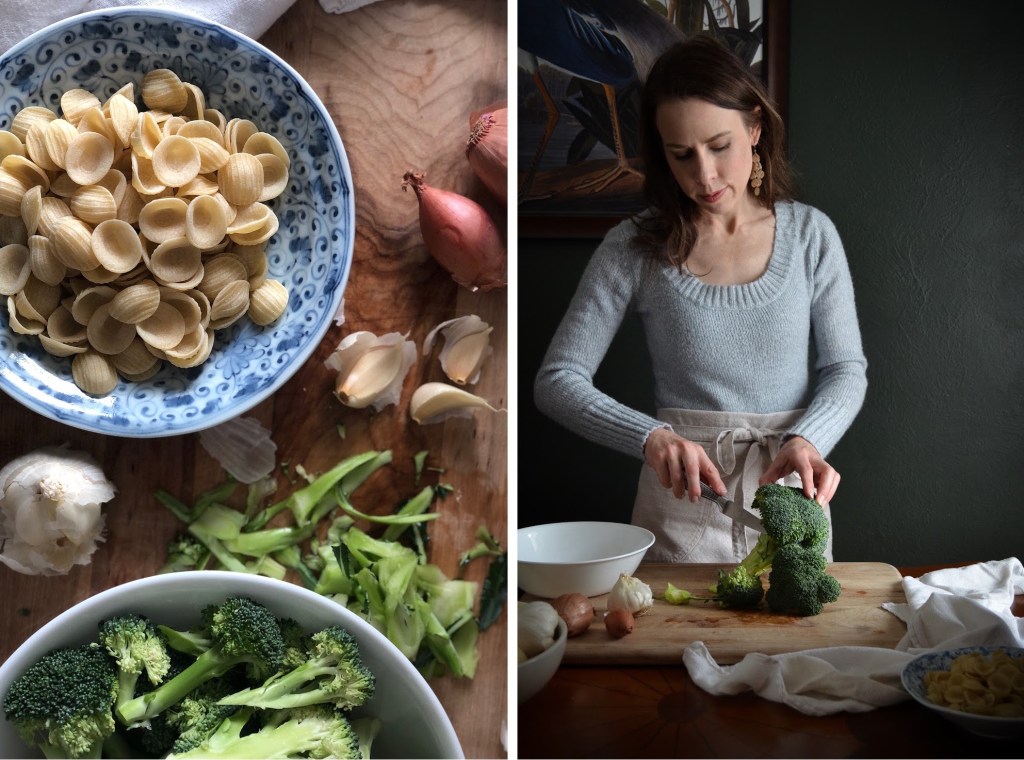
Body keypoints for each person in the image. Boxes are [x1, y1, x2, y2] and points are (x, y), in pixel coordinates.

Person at [533, 34, 868, 564]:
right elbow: (556, 382)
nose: (704, 175)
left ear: (755, 128)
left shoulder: (811, 235)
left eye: (719, 146)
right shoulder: (632, 246)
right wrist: (651, 438)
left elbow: (846, 369)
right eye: (681, 155)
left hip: (791, 500)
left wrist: (807, 439)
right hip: (677, 512)